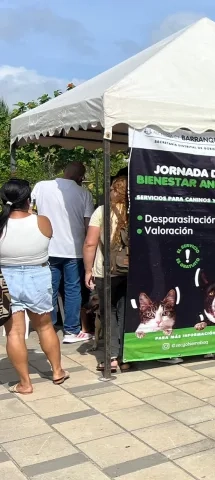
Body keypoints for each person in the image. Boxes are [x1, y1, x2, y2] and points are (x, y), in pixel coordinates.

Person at [0, 179, 68, 394]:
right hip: (37, 275)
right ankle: (57, 371)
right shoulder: (42, 221)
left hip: (5, 279)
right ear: (28, 199)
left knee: (14, 334)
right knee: (45, 326)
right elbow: (48, 237)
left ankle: (25, 383)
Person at [31, 161, 94, 343]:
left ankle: (47, 328)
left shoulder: (41, 186)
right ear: (80, 177)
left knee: (49, 288)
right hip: (74, 250)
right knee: (73, 289)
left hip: (48, 247)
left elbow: (31, 211)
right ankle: (71, 330)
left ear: (64, 171)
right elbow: (87, 225)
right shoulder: (84, 194)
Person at [83, 176, 132, 372]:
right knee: (125, 311)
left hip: (106, 270)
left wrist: (88, 270)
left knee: (108, 311)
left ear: (114, 191)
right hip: (131, 270)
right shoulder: (136, 210)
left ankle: (111, 356)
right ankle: (125, 356)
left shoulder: (102, 211)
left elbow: (90, 243)